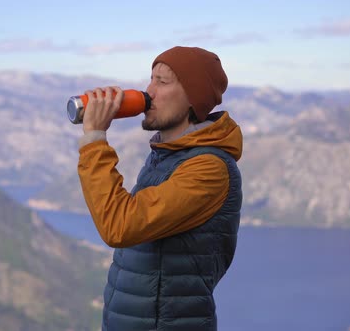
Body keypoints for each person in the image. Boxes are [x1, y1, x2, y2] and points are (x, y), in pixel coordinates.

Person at [77, 46, 243, 331]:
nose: (148, 91)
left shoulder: (209, 170)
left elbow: (120, 225)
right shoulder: (167, 156)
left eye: (162, 82)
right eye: (151, 79)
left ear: (194, 97)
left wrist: (95, 139)